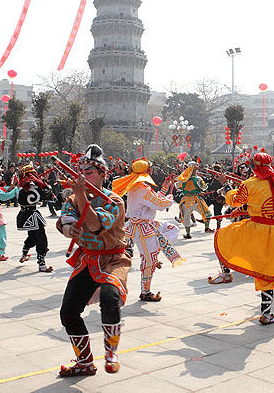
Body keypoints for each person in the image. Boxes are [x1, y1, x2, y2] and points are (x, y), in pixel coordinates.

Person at [56, 144, 129, 377]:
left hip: (113, 259)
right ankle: (85, 362)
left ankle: (111, 354)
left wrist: (79, 195)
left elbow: (96, 226)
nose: (84, 177)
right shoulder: (72, 198)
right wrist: (68, 229)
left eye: (89, 172)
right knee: (68, 312)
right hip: (87, 260)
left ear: (102, 175)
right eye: (82, 172)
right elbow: (65, 219)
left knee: (110, 297)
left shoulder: (114, 201)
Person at [214, 152, 274, 324]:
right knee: (267, 273)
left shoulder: (250, 184)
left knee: (224, 237)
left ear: (253, 167)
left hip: (255, 229)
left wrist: (226, 186)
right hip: (273, 231)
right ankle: (266, 314)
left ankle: (226, 272)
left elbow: (235, 201)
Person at [113, 158, 183, 302]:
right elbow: (160, 204)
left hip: (142, 225)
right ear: (148, 171)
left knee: (171, 229)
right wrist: (170, 195)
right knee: (148, 261)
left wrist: (164, 188)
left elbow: (152, 202)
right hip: (142, 228)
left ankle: (153, 253)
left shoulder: (136, 187)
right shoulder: (142, 189)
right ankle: (145, 291)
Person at [17, 164, 54, 271]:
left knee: (33, 236)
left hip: (24, 214)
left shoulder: (21, 186)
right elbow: (47, 196)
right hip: (32, 215)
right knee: (41, 238)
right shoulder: (35, 186)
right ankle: (41, 264)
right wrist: (46, 186)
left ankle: (24, 253)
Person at [174, 159, 210, 239]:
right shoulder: (198, 179)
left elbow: (176, 185)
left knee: (186, 218)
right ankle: (207, 228)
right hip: (196, 199)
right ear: (195, 170)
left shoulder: (183, 179)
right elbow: (204, 187)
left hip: (186, 200)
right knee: (206, 213)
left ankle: (188, 234)